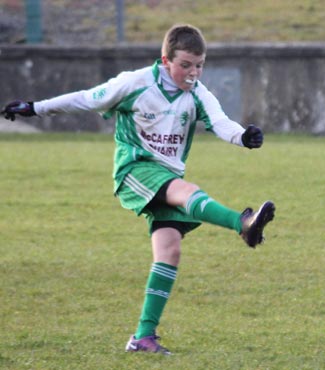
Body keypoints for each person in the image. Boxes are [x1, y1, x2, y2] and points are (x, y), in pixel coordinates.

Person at [1, 24, 275, 355]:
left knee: (170, 251)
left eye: (199, 65)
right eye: (185, 65)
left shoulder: (198, 93)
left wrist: (243, 136)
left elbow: (220, 122)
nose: (193, 73)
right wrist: (34, 107)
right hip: (134, 169)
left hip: (166, 177)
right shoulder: (135, 83)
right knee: (186, 191)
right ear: (165, 60)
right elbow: (86, 99)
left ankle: (143, 338)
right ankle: (241, 223)